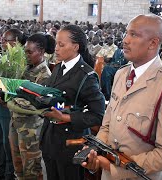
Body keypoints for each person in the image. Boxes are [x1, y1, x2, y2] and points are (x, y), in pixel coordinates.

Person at [81, 14, 162, 180]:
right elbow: (107, 125)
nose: (125, 40)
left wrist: (115, 165)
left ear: (153, 43)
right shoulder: (121, 74)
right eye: (126, 33)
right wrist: (94, 151)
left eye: (134, 35)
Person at [40, 25, 105, 180]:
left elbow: (98, 115)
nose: (56, 48)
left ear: (76, 47)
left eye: (61, 45)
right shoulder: (58, 67)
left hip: (71, 143)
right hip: (50, 139)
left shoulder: (86, 75)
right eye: (56, 43)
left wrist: (65, 118)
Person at [8, 33, 54, 180]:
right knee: (18, 166)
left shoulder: (45, 75)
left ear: (40, 52)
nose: (26, 55)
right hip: (16, 122)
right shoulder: (25, 69)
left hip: (31, 129)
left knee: (32, 169)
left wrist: (9, 100)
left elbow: (35, 104)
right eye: (25, 51)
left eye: (30, 52)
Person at [0, 29, 24, 180]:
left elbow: (18, 85)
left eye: (7, 40)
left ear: (17, 43)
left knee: (8, 143)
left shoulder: (20, 61)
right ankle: (0, 171)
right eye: (2, 39)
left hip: (8, 107)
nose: (3, 43)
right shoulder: (1, 57)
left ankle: (10, 173)